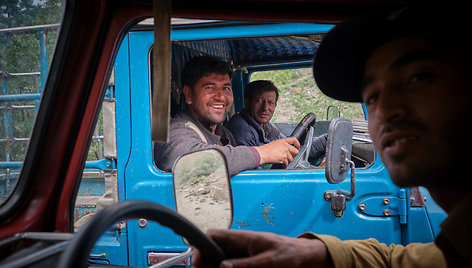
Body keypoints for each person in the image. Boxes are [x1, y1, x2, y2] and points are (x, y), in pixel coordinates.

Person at [192, 5, 472, 267]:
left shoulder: (266, 129)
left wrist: (326, 142)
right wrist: (319, 253)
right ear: (247, 101)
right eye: (373, 96)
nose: (386, 110)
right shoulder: (243, 127)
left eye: (418, 78)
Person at [155, 56, 300, 176]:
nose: (221, 97)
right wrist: (262, 153)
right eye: (210, 88)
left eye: (226, 88)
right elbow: (193, 162)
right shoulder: (175, 132)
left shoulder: (223, 133)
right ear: (189, 94)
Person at [226, 80, 327, 168]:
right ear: (247, 102)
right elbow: (255, 177)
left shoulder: (265, 126)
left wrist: (326, 140)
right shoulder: (242, 130)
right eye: (259, 101)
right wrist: (317, 170)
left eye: (270, 103)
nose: (265, 108)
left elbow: (292, 149)